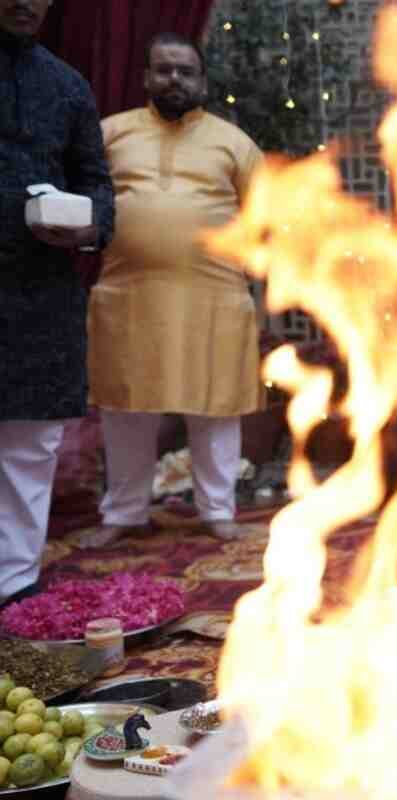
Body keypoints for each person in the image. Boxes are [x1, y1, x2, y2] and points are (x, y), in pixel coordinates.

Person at [81, 33, 263, 548]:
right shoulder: (110, 133)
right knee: (126, 409)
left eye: (185, 71)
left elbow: (265, 220)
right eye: (164, 70)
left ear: (202, 81)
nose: (174, 79)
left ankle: (218, 510)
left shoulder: (234, 143)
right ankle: (125, 512)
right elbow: (82, 200)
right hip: (128, 296)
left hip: (215, 298)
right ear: (146, 77)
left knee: (215, 407)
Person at [0, 0, 115, 604]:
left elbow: (95, 180)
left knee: (29, 442)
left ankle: (15, 584)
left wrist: (90, 224)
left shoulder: (66, 85)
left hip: (38, 291)